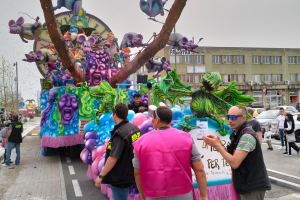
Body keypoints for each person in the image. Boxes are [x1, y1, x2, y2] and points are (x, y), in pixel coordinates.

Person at [132, 106, 208, 200]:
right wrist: (203, 195)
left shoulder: (140, 142)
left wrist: (143, 197)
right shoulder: (187, 138)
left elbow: (137, 173)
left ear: (156, 120)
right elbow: (199, 169)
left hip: (154, 194)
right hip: (183, 193)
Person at [203, 106, 271, 200]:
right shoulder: (237, 133)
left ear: (243, 118)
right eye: (228, 117)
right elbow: (232, 156)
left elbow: (234, 163)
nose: (230, 120)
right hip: (245, 184)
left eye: (234, 117)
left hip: (252, 186)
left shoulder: (247, 135)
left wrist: (218, 146)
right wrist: (219, 145)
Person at [95, 103, 140, 200]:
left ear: (114, 115)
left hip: (120, 177)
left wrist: (101, 176)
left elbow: (113, 158)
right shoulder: (134, 128)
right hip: (132, 173)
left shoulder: (120, 133)